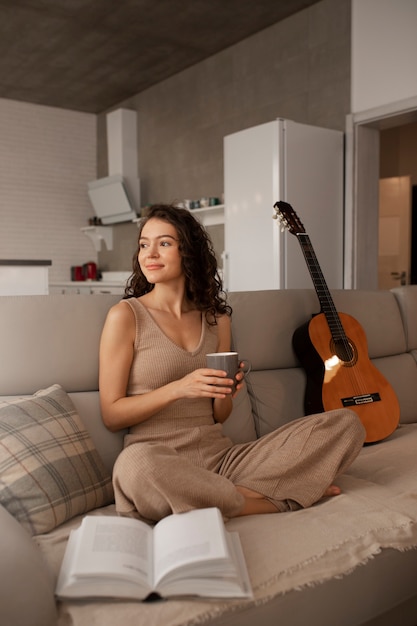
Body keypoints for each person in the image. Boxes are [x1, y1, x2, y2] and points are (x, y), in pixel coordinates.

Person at [99, 203, 365, 523]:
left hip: (223, 460)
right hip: (159, 460)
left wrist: (226, 391)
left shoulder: (217, 320)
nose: (150, 254)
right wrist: (178, 389)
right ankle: (259, 501)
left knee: (346, 424)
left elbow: (219, 415)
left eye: (164, 243)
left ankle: (214, 498)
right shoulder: (125, 316)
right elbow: (112, 415)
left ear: (189, 252)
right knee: (133, 466)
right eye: (144, 244)